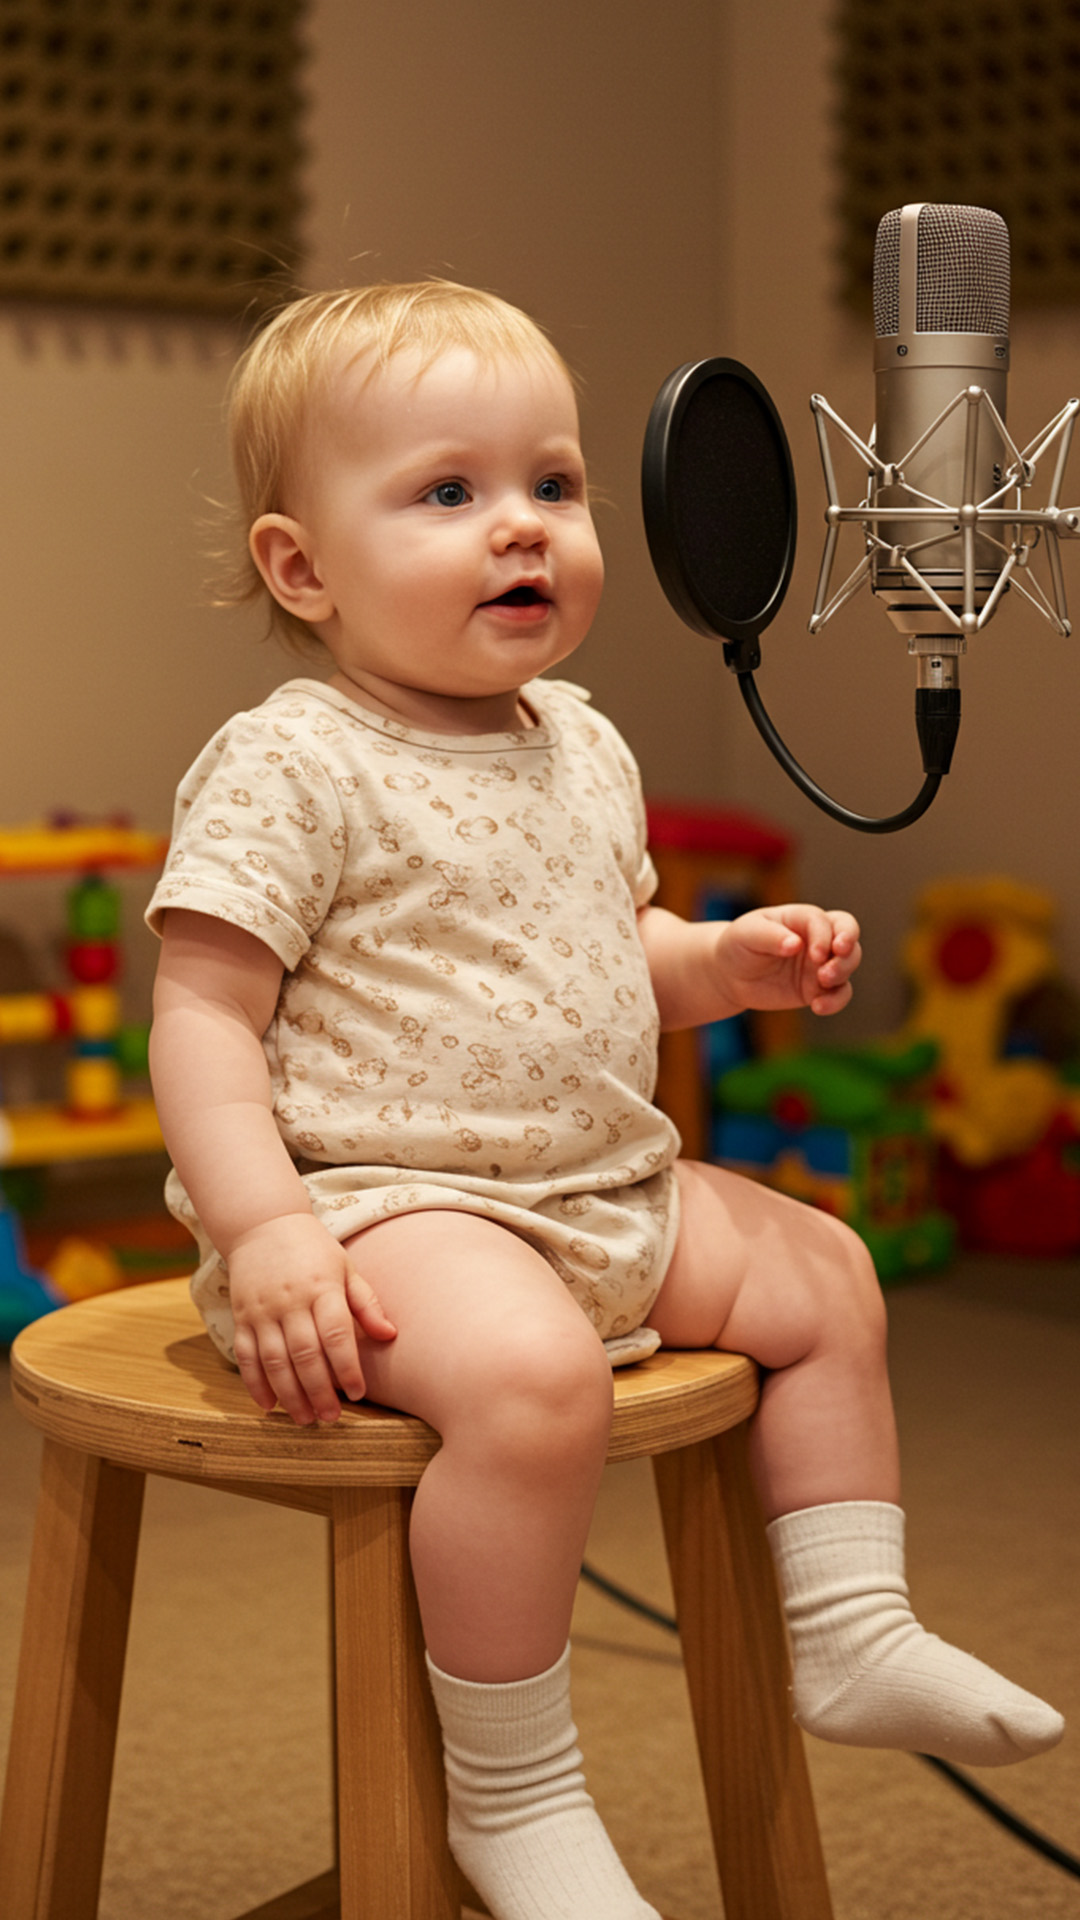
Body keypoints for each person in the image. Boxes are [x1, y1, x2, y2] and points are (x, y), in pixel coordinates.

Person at [146, 280, 1063, 1920]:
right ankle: (515, 1795)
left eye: (552, 485)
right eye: (449, 492)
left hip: (600, 1187)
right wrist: (266, 1226)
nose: (524, 527)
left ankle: (852, 1628)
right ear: (303, 568)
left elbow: (616, 952)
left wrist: (727, 963)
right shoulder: (293, 762)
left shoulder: (580, 739)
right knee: (533, 1383)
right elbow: (203, 1020)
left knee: (828, 1272)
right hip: (380, 1208)